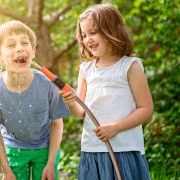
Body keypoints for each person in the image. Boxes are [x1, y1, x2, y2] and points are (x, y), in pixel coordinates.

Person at [59, 3, 154, 180]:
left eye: (93, 32)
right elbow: (81, 112)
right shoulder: (86, 69)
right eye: (84, 35)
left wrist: (115, 128)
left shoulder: (129, 66)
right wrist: (72, 102)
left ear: (112, 30)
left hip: (124, 149)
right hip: (92, 149)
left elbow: (146, 108)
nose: (88, 39)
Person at [0, 20, 70, 180]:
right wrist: (6, 170)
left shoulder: (47, 84)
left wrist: (51, 164)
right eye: (11, 45)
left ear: (33, 52)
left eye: (24, 43)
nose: (20, 48)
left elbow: (57, 123)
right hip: (14, 149)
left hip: (45, 148)